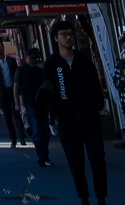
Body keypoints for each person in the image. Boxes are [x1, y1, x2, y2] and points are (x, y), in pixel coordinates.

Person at [37, 20, 107, 205]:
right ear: (55, 38)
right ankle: (84, 198)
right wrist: (61, 114)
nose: (69, 38)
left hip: (90, 120)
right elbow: (48, 91)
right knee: (76, 164)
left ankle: (101, 198)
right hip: (68, 123)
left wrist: (95, 107)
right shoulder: (52, 64)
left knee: (97, 158)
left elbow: (95, 85)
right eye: (64, 34)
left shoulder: (84, 59)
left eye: (70, 34)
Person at [17, 49, 49, 166]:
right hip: (29, 103)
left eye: (35, 58)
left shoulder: (40, 71)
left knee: (45, 130)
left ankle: (45, 154)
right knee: (36, 129)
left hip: (42, 103)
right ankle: (40, 155)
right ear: (26, 58)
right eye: (31, 58)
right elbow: (16, 86)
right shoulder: (21, 71)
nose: (34, 60)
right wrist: (17, 103)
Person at [0, 48, 26, 147]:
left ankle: (22, 137)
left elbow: (16, 73)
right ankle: (13, 139)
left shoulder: (11, 60)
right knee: (7, 117)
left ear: (2, 48)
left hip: (11, 90)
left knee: (16, 113)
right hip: (1, 92)